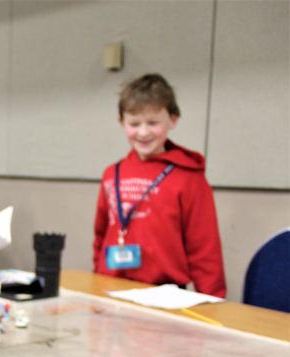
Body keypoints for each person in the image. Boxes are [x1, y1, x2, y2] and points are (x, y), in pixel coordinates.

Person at [92, 73, 226, 297]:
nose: (143, 132)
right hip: (112, 290)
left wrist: (213, 301)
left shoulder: (188, 177)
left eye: (153, 123)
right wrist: (96, 281)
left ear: (173, 119)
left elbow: (205, 248)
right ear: (121, 122)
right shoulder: (111, 174)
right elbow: (100, 235)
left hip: (165, 294)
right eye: (134, 124)